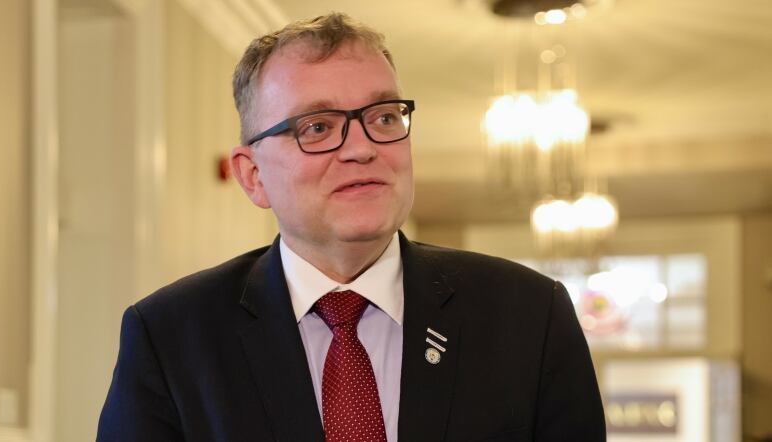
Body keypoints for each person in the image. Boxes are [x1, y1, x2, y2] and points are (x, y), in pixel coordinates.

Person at [98, 12, 606, 442]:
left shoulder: (530, 316)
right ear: (253, 177)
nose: (362, 147)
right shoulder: (171, 337)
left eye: (383, 117)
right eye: (317, 127)